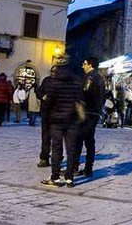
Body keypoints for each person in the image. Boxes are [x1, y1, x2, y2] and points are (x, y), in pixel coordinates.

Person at [37, 56, 83, 186]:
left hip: (56, 120)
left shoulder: (54, 82)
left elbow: (49, 101)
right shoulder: (76, 81)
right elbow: (80, 100)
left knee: (56, 149)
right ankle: (69, 178)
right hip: (72, 120)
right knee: (71, 149)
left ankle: (55, 178)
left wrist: (48, 114)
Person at [72, 58, 104, 179]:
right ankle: (88, 167)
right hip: (95, 112)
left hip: (86, 112)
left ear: (90, 65)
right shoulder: (100, 77)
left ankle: (74, 166)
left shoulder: (91, 77)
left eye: (84, 64)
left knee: (78, 140)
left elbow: (85, 92)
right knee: (90, 141)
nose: (82, 66)